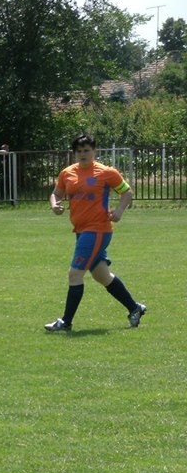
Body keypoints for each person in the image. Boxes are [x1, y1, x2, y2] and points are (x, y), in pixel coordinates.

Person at [45, 134, 145, 332]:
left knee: (75, 274)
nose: (83, 154)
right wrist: (54, 205)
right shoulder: (67, 173)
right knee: (102, 276)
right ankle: (135, 308)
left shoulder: (106, 172)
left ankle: (66, 322)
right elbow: (56, 193)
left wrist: (119, 211)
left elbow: (127, 191)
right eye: (79, 151)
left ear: (94, 151)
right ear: (74, 153)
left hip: (98, 229)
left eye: (87, 150)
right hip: (81, 231)